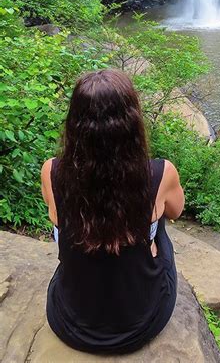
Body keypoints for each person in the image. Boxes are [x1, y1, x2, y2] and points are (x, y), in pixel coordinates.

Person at [41, 69, 184, 354]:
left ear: (75, 123)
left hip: (70, 322)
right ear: (132, 122)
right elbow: (177, 211)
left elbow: (57, 222)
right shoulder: (160, 173)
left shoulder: (52, 172)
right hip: (142, 324)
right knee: (162, 226)